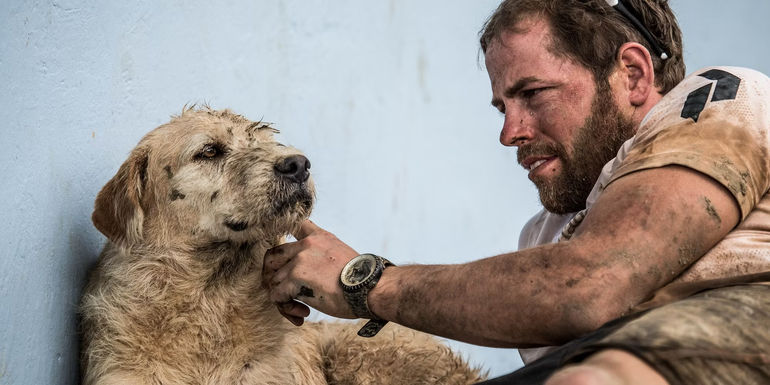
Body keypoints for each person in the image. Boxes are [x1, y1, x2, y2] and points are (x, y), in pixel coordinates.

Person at [263, 0, 770, 383]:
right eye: (501, 106)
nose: (510, 132)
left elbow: (588, 286)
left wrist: (367, 283)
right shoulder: (545, 236)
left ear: (633, 74)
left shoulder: (717, 100)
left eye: (532, 93)